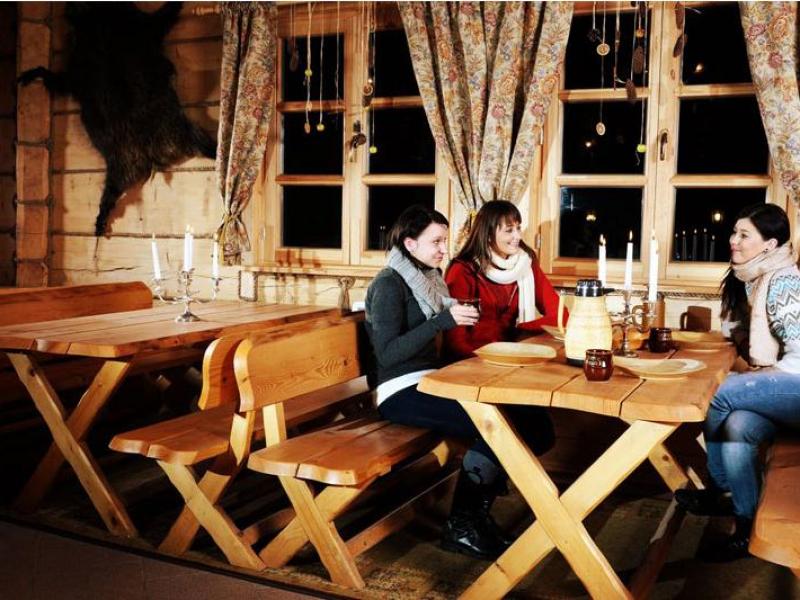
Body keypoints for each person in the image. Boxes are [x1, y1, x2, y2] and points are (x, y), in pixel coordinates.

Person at [364, 204, 552, 560]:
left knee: (532, 420)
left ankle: (477, 512)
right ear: (410, 244)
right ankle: (462, 527)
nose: (443, 249)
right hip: (398, 392)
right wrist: (442, 322)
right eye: (435, 242)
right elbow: (387, 355)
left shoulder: (429, 278)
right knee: (499, 425)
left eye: (444, 241)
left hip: (432, 380)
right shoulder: (388, 284)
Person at [675, 203, 800, 562]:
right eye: (734, 232)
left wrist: (762, 378)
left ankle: (720, 490)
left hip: (796, 379)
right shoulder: (754, 277)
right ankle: (746, 528)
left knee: (718, 393)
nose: (733, 240)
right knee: (738, 426)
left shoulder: (784, 280)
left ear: (769, 244)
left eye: (744, 235)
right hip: (785, 380)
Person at [444, 199, 566, 360]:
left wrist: (522, 329)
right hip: (471, 359)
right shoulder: (463, 270)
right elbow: (456, 342)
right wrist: (489, 358)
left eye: (518, 228)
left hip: (512, 355)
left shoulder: (525, 264)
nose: (518, 236)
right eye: (509, 230)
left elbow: (561, 316)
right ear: (488, 235)